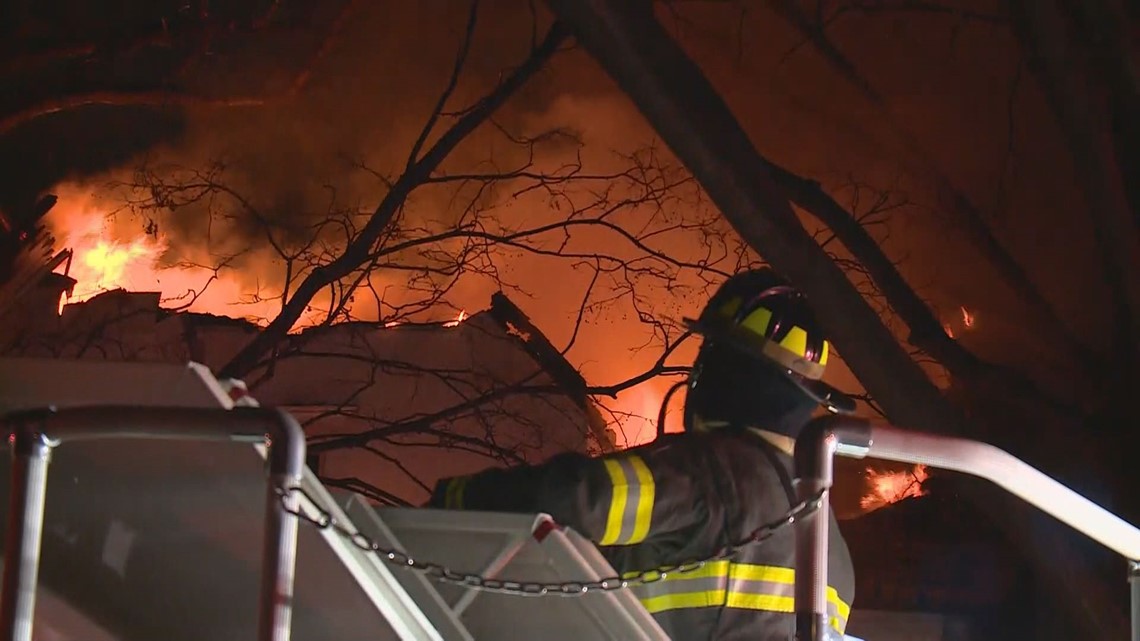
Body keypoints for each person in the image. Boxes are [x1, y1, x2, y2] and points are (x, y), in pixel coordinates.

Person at [427, 268, 857, 640]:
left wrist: (457, 498)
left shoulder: (710, 471)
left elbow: (581, 497)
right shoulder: (829, 539)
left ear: (728, 367)